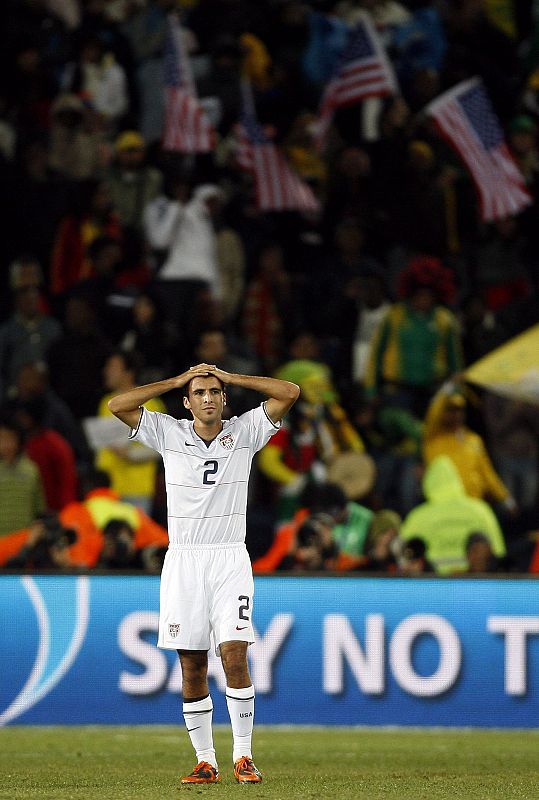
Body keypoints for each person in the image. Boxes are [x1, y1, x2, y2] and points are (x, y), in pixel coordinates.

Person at [108, 361, 299, 784]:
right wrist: (175, 379)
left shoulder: (245, 432)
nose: (208, 398)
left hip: (229, 558)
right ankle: (205, 760)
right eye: (199, 393)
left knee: (234, 653)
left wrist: (232, 376)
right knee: (192, 664)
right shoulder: (168, 432)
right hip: (184, 560)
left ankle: (244, 757)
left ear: (224, 398)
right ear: (187, 401)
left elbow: (289, 391)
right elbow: (117, 404)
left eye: (214, 391)